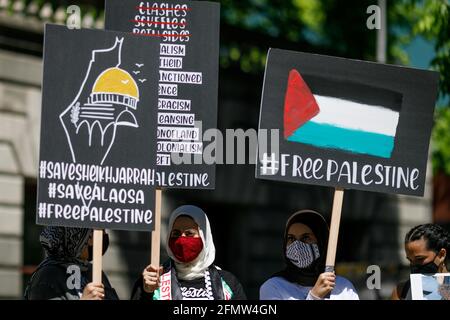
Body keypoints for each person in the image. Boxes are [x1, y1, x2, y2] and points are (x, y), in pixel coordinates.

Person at [131, 205, 246, 300]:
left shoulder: (227, 282)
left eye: (189, 234)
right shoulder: (152, 280)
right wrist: (146, 292)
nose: (181, 240)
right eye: (175, 234)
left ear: (204, 237)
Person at [259, 210, 359, 300]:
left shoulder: (344, 288)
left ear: (321, 242)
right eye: (291, 239)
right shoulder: (274, 287)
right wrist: (314, 297)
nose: (297, 246)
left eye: (306, 238)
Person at [24, 227, 118, 300]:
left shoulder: (94, 272)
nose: (104, 235)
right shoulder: (47, 276)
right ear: (77, 238)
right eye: (97, 232)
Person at [392, 223, 450, 300]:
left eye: (420, 259)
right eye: (410, 260)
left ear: (441, 255)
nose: (414, 265)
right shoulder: (401, 291)